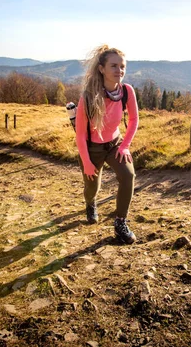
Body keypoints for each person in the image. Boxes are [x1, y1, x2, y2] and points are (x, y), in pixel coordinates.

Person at [75, 45, 139, 244]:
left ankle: (120, 223)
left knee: (128, 175)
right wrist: (86, 162)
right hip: (92, 147)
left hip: (114, 144)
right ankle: (91, 203)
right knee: (92, 186)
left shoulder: (127, 91)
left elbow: (135, 120)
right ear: (102, 69)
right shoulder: (88, 97)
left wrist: (125, 145)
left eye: (122, 66)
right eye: (114, 66)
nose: (119, 70)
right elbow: (79, 135)